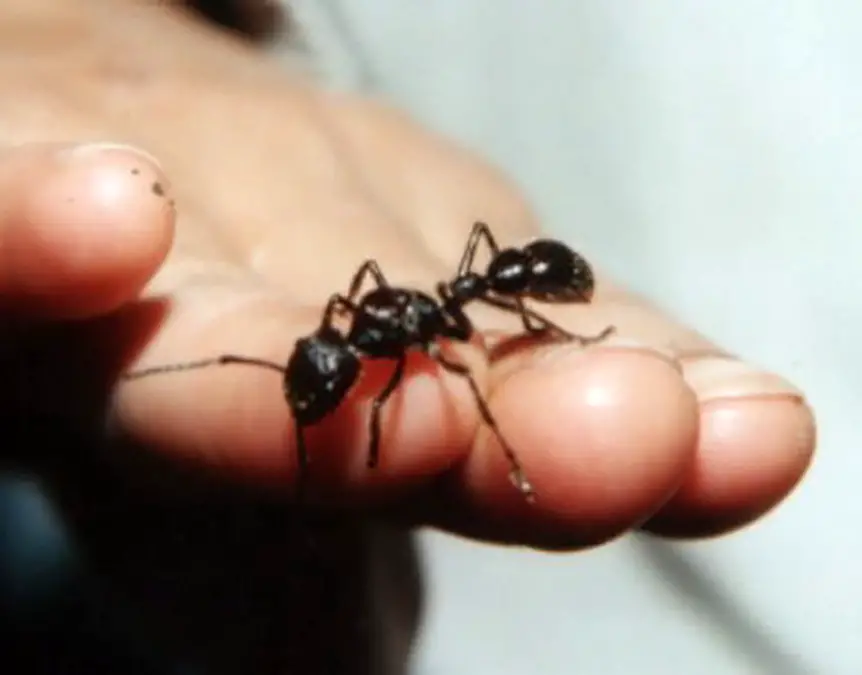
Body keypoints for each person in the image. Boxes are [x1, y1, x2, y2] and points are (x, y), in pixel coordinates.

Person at [0, 1, 816, 673]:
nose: (327, 379)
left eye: (324, 376)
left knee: (470, 371)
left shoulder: (402, 347)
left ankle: (550, 347)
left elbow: (430, 351)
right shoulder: (370, 333)